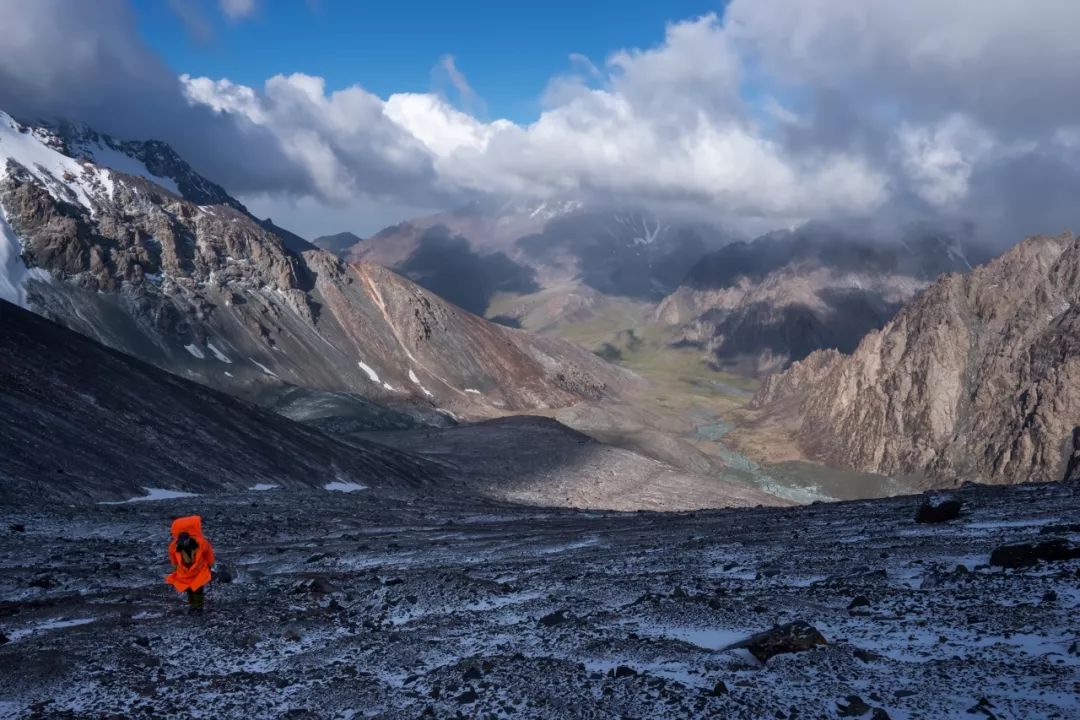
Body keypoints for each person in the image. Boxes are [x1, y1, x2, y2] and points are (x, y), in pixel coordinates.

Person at [165, 515, 215, 613]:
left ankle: (199, 607)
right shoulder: (174, 546)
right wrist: (175, 567)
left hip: (199, 571)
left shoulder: (201, 543)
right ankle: (193, 607)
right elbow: (173, 557)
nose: (182, 544)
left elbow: (209, 553)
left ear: (188, 539)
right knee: (189, 590)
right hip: (185, 572)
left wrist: (210, 564)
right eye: (180, 542)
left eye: (183, 542)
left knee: (198, 589)